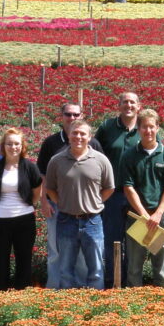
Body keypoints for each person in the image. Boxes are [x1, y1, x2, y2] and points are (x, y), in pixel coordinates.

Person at [37, 103, 103, 289]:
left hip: (86, 210)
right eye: (68, 114)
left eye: (76, 114)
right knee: (56, 251)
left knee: (82, 252)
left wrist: (95, 203)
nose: (72, 118)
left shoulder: (94, 144)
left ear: (82, 115)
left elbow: (104, 179)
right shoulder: (51, 143)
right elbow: (43, 176)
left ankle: (80, 289)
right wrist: (45, 202)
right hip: (57, 207)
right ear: (61, 116)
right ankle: (54, 288)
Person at [44, 121, 115, 290]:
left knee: (96, 269)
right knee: (66, 269)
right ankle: (69, 307)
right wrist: (61, 203)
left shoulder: (100, 160)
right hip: (66, 220)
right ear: (69, 135)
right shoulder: (57, 160)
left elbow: (109, 187)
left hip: (93, 221)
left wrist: (95, 202)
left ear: (89, 137)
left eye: (83, 134)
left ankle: (95, 307)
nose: (78, 137)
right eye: (75, 133)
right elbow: (50, 189)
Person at [121, 109, 164, 289]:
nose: (148, 131)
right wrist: (144, 215)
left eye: (151, 127)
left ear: (158, 128)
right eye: (144, 127)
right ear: (138, 129)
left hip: (160, 219)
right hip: (138, 219)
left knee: (160, 268)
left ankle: (163, 306)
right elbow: (128, 188)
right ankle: (134, 305)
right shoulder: (129, 155)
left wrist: (157, 214)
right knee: (134, 267)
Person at [0, 128, 43, 290]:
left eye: (17, 144)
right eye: (9, 144)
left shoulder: (30, 167)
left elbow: (37, 192)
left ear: (22, 146)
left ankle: (22, 295)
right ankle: (0, 295)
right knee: (0, 261)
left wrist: (26, 205)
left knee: (24, 260)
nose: (13, 147)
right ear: (3, 146)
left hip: (24, 220)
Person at [96, 92, 141, 287]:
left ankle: (132, 283)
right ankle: (113, 283)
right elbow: (95, 154)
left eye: (132, 102)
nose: (128, 105)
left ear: (138, 106)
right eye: (125, 102)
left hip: (138, 195)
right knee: (112, 240)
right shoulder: (107, 127)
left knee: (134, 242)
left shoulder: (145, 127)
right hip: (112, 194)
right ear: (119, 105)